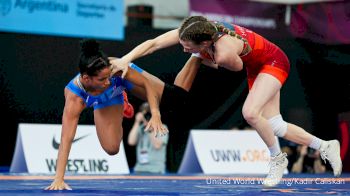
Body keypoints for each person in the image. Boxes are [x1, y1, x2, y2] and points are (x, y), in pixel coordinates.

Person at [109, 15, 342, 187]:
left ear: (204, 44)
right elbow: (154, 43)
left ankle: (277, 159)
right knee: (275, 125)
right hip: (256, 64)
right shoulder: (194, 28)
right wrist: (126, 59)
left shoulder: (223, 51)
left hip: (273, 62)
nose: (182, 48)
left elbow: (237, 67)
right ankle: (325, 146)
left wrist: (203, 57)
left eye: (187, 46)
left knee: (251, 113)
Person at [45, 39, 168, 191]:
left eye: (108, 76)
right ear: (86, 78)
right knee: (112, 148)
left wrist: (155, 114)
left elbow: (146, 84)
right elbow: (66, 138)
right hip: (108, 100)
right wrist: (59, 179)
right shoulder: (74, 98)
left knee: (168, 98)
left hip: (124, 79)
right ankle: (122, 100)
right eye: (102, 79)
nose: (107, 82)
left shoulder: (115, 69)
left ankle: (195, 58)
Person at [128, 102, 169, 174]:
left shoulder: (162, 128)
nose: (147, 117)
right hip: (139, 169)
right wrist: (137, 122)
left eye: (148, 114)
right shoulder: (140, 128)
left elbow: (157, 145)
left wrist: (150, 130)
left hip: (156, 169)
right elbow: (131, 142)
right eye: (144, 114)